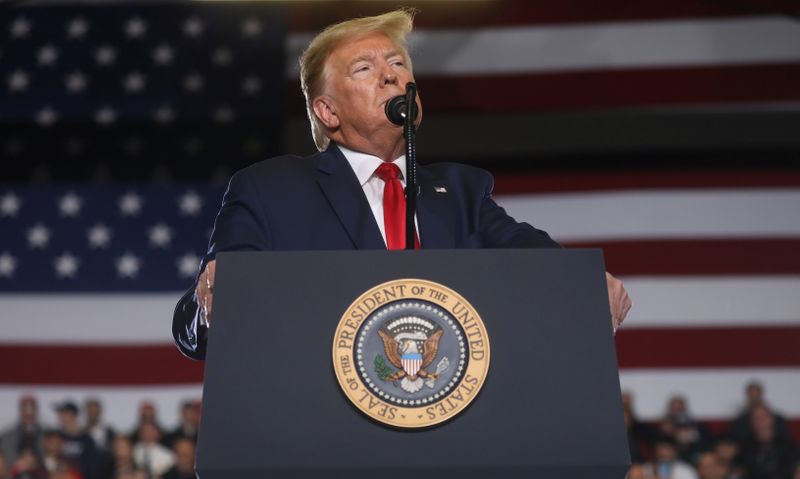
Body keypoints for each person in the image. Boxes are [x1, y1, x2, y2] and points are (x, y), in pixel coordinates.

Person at [171, 8, 632, 360]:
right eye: (364, 69)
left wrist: (583, 284)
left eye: (396, 63)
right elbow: (202, 320)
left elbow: (535, 260)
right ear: (327, 112)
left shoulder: (462, 194)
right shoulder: (271, 189)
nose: (391, 73)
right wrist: (210, 304)